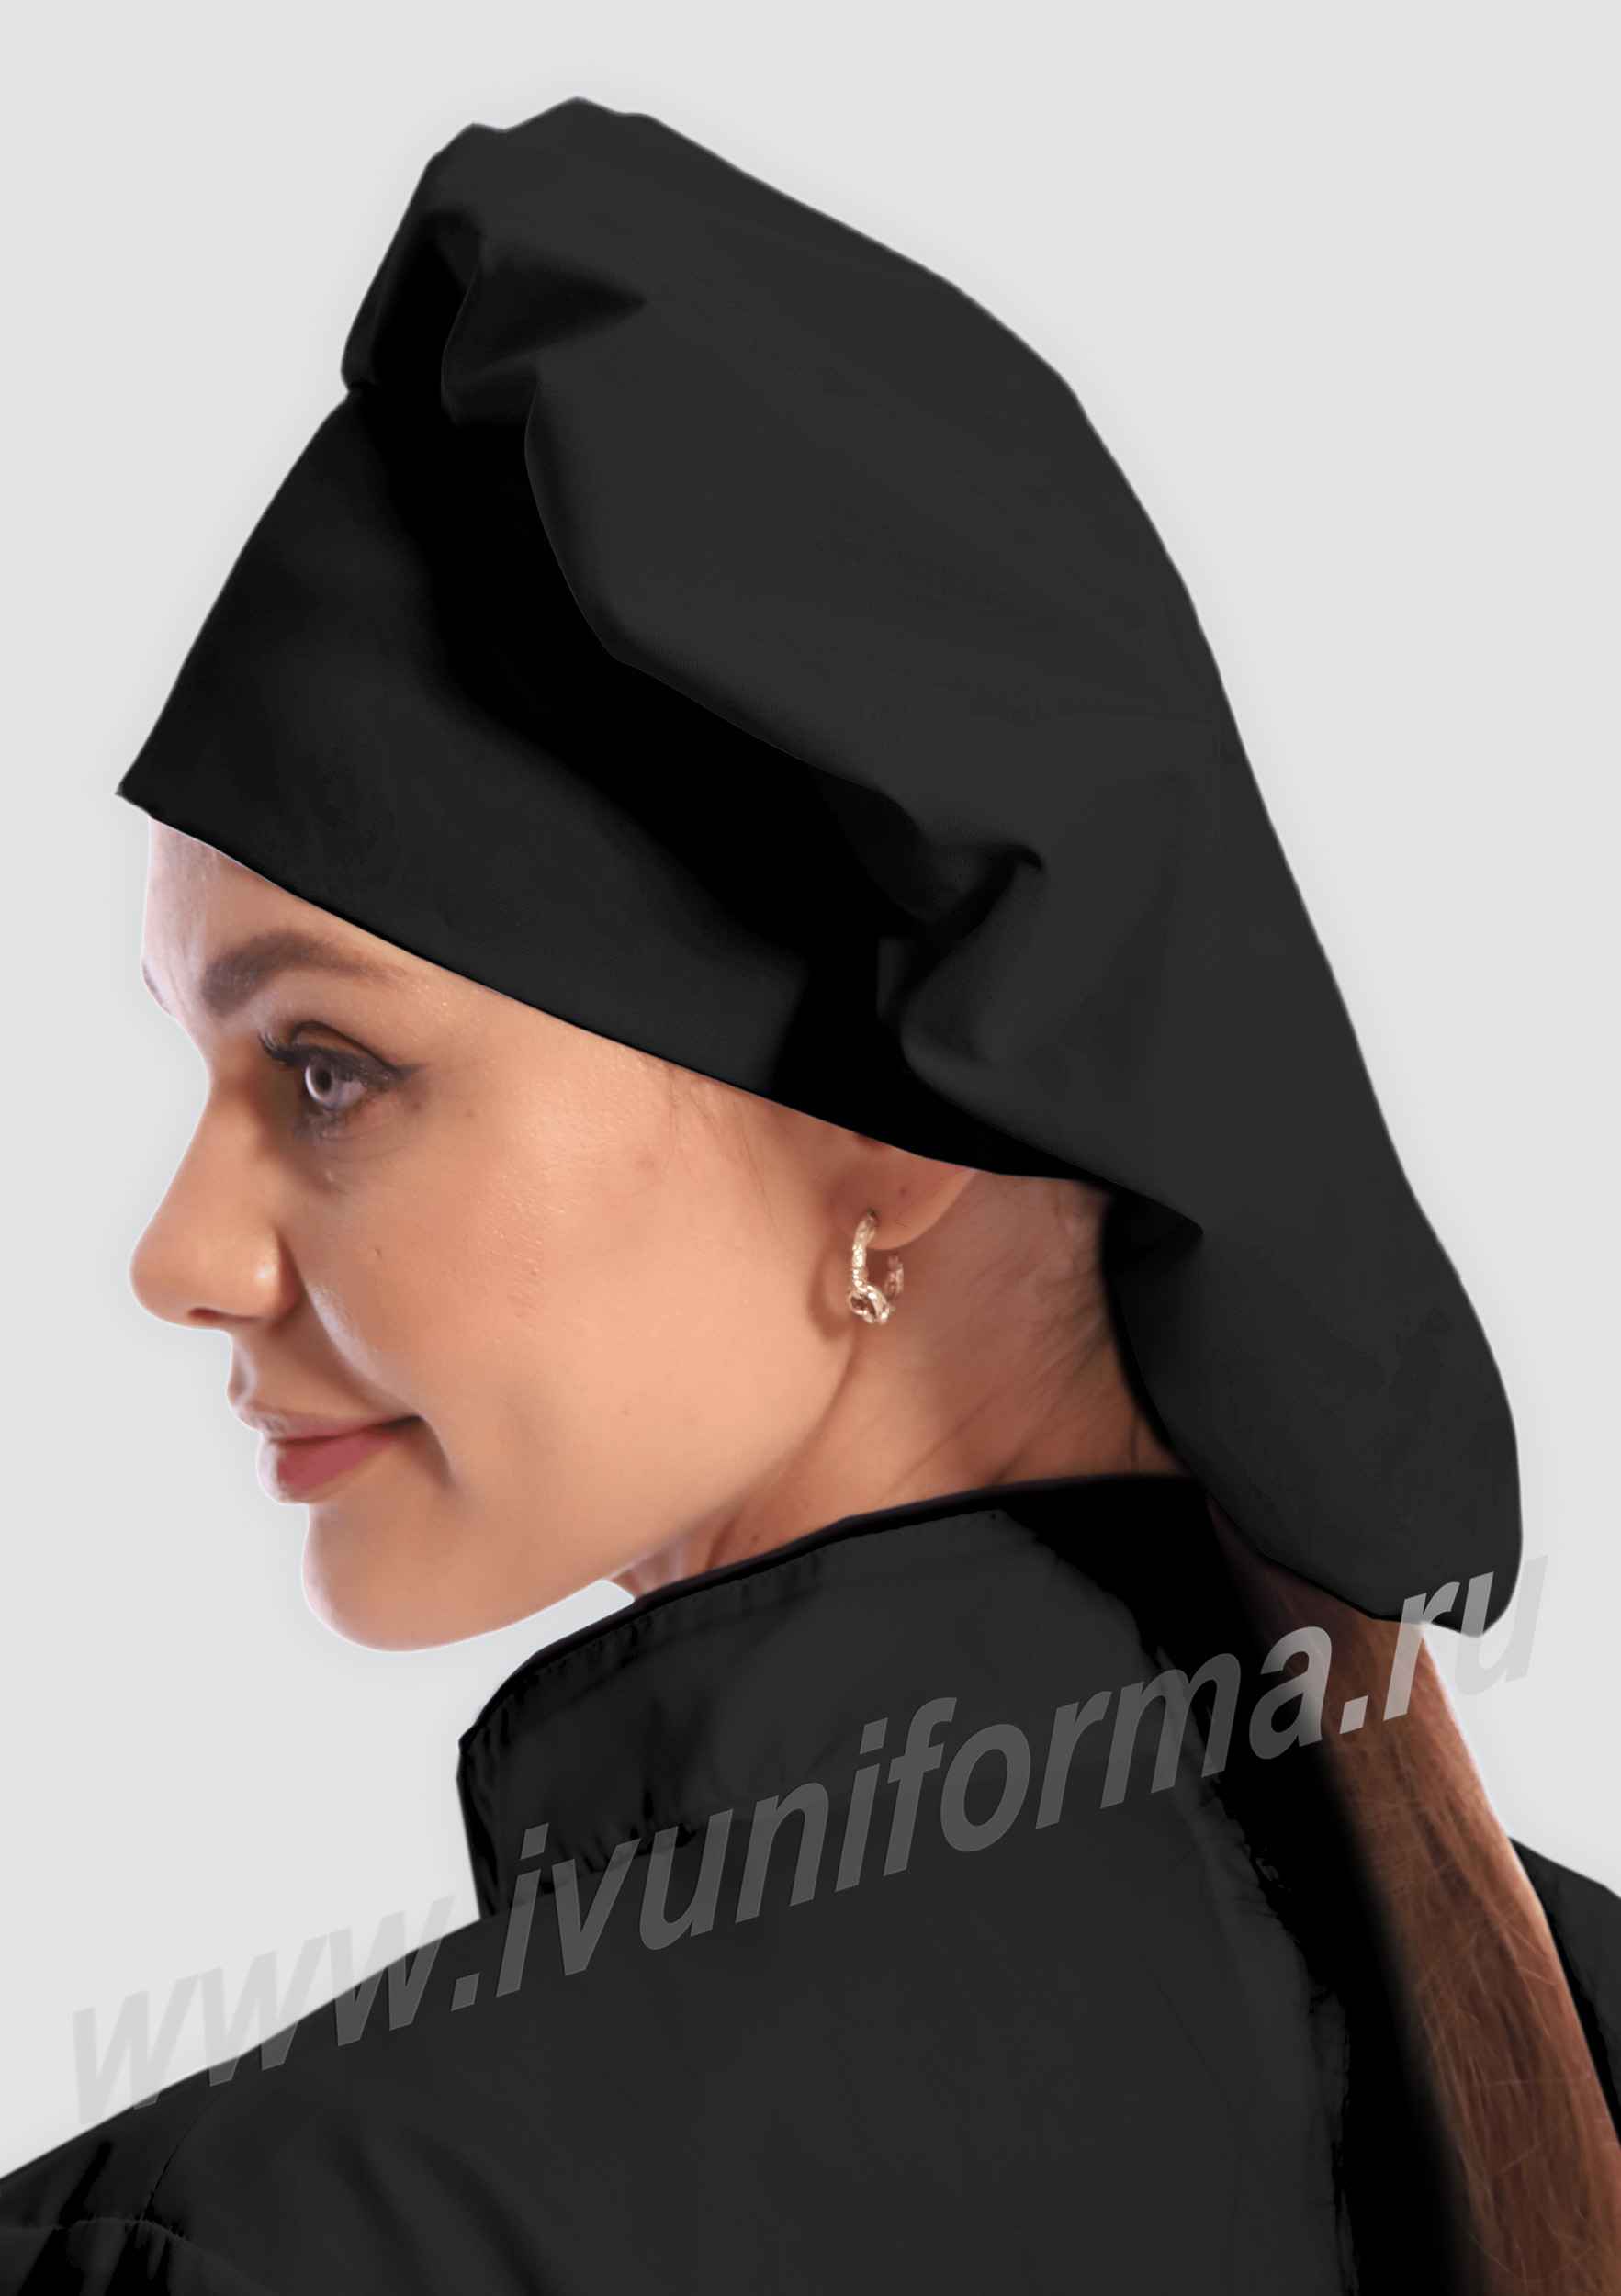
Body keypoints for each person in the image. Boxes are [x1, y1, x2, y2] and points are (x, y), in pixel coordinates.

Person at [2, 97, 1617, 2293]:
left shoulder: (291, 2239)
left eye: (327, 1069)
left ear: (890, 1142)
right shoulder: (1558, 2052)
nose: (176, 1257)